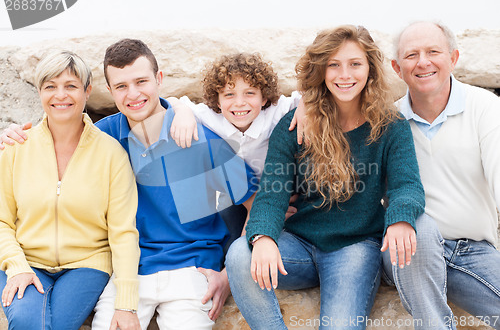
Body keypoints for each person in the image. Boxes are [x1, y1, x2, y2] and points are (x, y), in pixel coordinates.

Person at [0, 39, 257, 329]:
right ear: (108, 91)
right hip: (129, 271)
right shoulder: (105, 136)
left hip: (193, 269)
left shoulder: (199, 137)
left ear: (159, 80)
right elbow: (59, 131)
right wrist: (12, 135)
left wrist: (228, 276)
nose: (133, 94)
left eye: (141, 82)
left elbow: (257, 203)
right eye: (121, 86)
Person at [224, 25, 425, 330]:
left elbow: (406, 184)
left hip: (356, 249)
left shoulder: (390, 126)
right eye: (334, 65)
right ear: (321, 70)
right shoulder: (295, 127)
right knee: (241, 253)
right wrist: (263, 236)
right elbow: (272, 194)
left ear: (369, 69)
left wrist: (400, 219)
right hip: (298, 248)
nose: (345, 74)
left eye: (355, 64)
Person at [0, 51, 140, 330]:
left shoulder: (111, 153)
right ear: (40, 92)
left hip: (87, 265)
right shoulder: (16, 148)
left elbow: (123, 232)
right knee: (27, 320)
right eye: (50, 86)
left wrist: (126, 303)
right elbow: (2, 220)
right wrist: (16, 266)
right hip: (25, 259)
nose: (60, 95)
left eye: (71, 86)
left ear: (87, 91)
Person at [381, 21, 500, 330]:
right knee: (416, 223)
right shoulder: (387, 121)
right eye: (411, 55)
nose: (423, 62)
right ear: (397, 67)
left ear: (453, 58)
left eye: (433, 52)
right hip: (408, 248)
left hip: (473, 249)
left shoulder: (485, 107)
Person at [167, 52, 301, 253]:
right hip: (237, 196)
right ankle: (228, 264)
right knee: (227, 238)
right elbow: (170, 102)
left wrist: (306, 105)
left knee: (281, 227)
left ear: (264, 98)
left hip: (279, 194)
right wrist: (182, 112)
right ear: (218, 101)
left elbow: (308, 97)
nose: (239, 102)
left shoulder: (276, 111)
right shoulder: (210, 117)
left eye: (249, 93)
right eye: (229, 94)